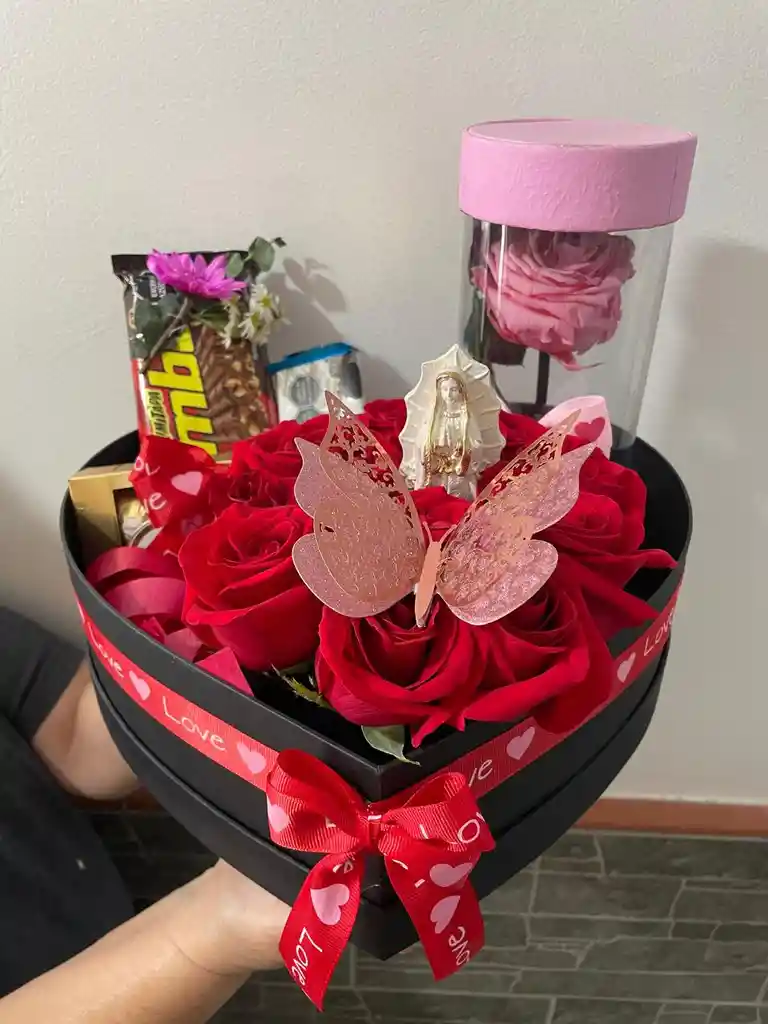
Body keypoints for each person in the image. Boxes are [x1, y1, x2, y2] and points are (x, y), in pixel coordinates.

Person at [0, 606, 289, 1023]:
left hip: (124, 929)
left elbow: (76, 738)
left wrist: (196, 633)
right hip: (181, 942)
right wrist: (213, 927)